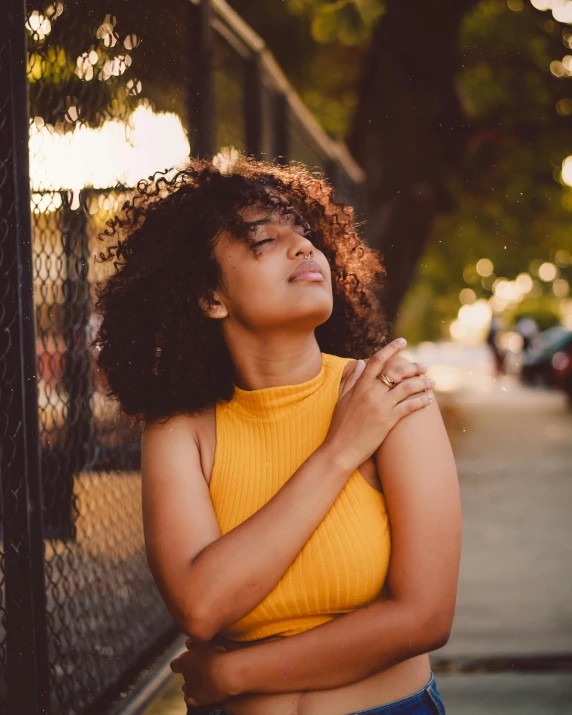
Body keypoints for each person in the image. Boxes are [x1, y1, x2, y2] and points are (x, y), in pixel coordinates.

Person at [92, 151, 461, 715]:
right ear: (210, 296)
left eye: (307, 235)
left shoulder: (390, 395)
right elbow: (201, 605)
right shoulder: (181, 429)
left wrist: (237, 672)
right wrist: (339, 452)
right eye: (264, 241)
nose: (304, 248)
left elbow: (425, 617)